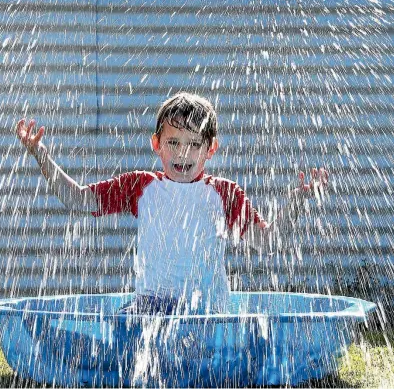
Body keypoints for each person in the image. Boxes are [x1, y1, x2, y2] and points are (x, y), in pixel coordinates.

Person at [16, 92, 328, 316]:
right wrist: (41, 155)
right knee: (122, 322)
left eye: (194, 145)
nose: (183, 155)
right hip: (152, 304)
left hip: (206, 309)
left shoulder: (224, 193)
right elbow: (79, 199)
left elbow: (268, 241)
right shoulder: (141, 186)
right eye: (174, 143)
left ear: (211, 149)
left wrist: (297, 201)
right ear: (156, 144)